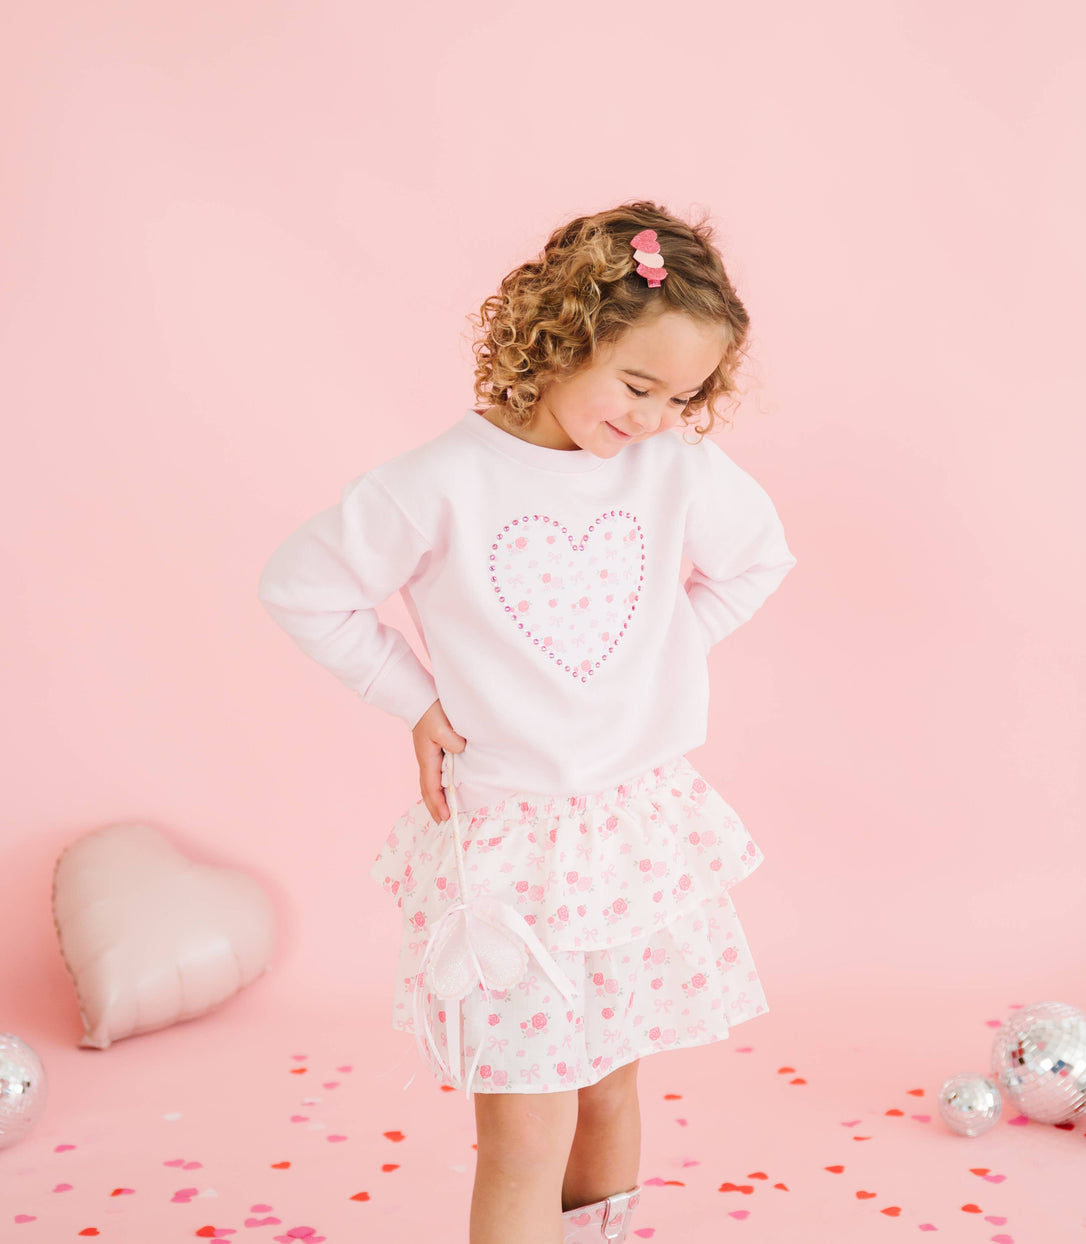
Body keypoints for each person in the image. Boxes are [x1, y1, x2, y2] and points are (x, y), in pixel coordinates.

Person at [257, 200, 797, 1244]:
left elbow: (759, 560)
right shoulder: (439, 482)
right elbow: (301, 586)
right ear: (560, 334)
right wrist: (412, 697)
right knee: (522, 1129)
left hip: (633, 834)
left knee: (607, 1090)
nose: (647, 417)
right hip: (514, 849)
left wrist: (664, 648)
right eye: (635, 384)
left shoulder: (673, 470)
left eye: (679, 397)